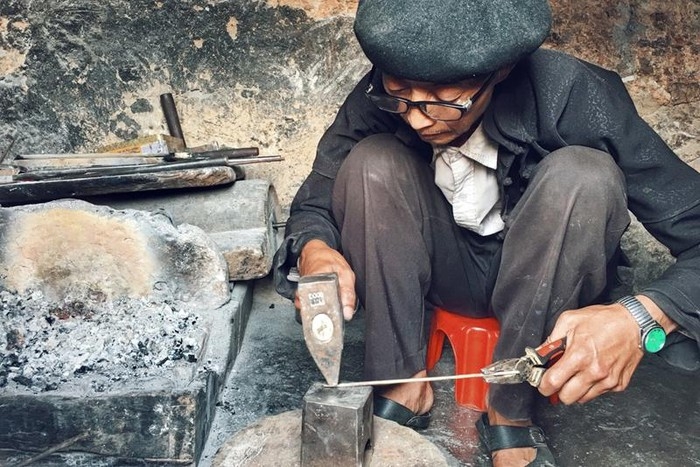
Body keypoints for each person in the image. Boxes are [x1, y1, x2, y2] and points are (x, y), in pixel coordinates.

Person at [273, 0, 700, 465]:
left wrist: (642, 318)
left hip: (547, 276)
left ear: (500, 73)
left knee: (584, 176)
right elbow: (317, 196)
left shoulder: (576, 94)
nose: (416, 117)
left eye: (443, 99)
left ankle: (510, 414)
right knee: (371, 161)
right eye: (400, 93)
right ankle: (403, 382)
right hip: (443, 272)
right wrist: (316, 249)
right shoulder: (383, 93)